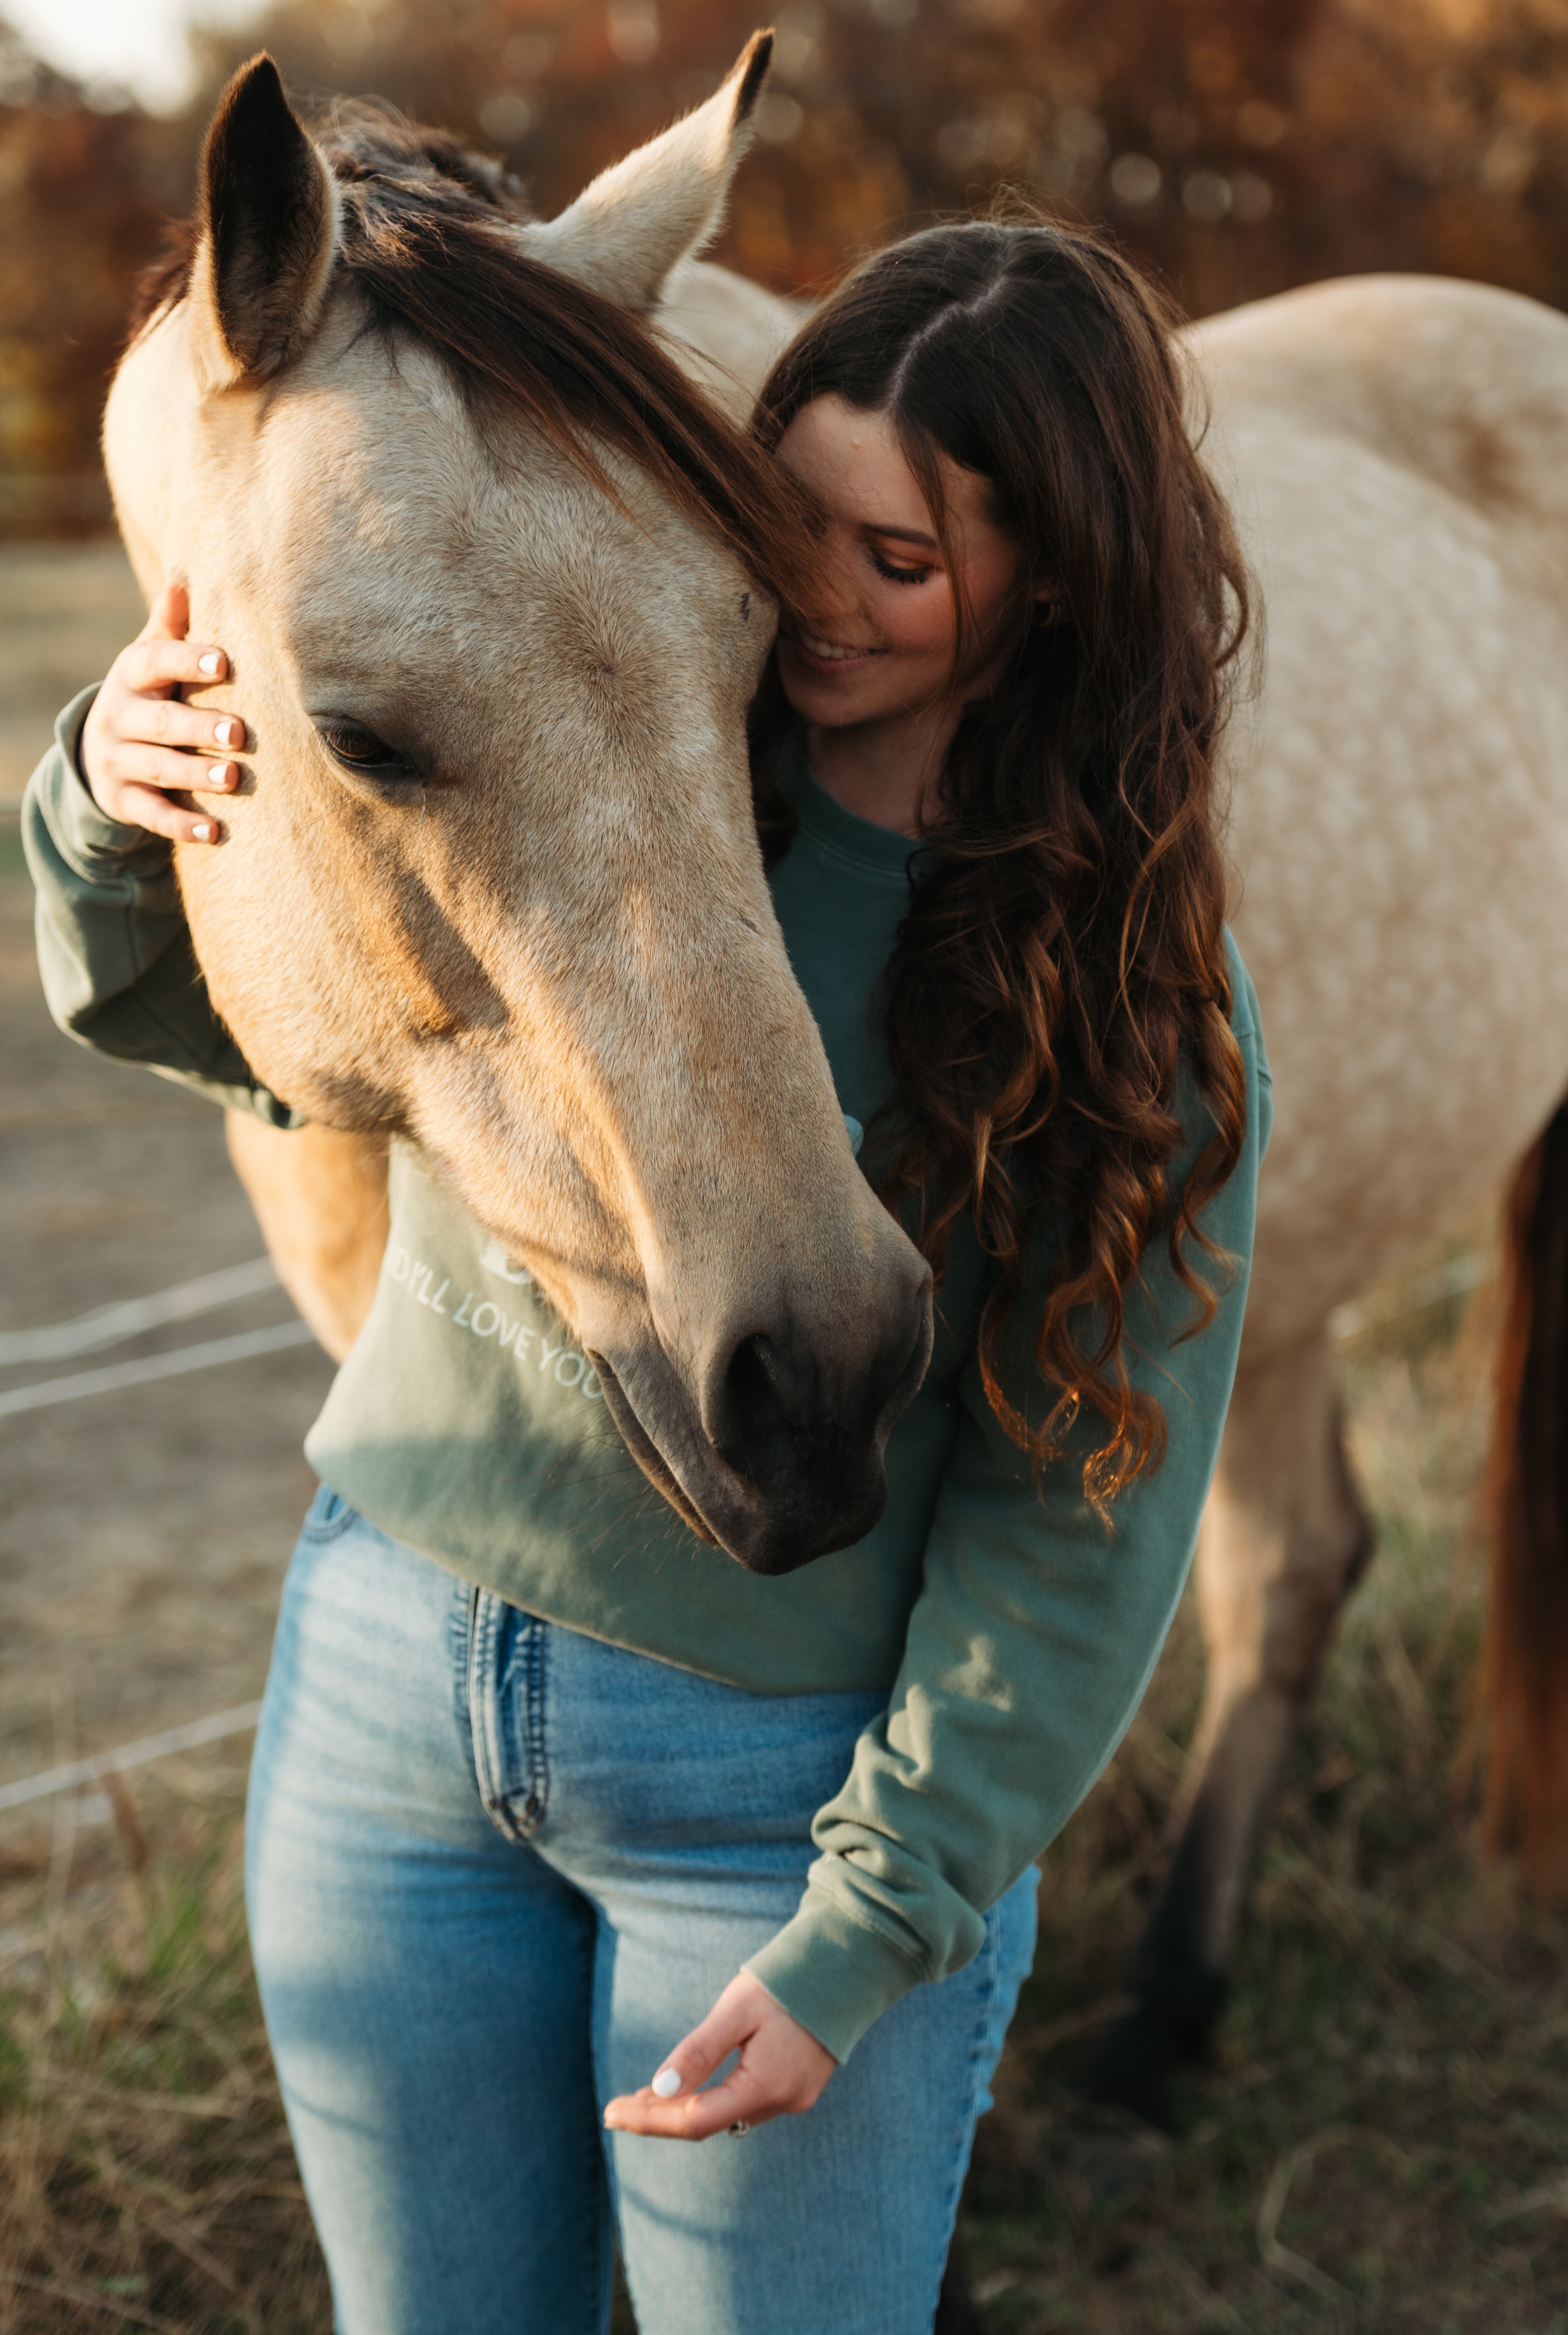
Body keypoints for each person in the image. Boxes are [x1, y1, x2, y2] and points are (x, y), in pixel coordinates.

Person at [26, 217, 1270, 2335]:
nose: (818, 601)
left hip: (771, 1806)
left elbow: (1085, 1520)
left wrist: (872, 1926)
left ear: (1048, 579)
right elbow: (259, 1039)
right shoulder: (625, 725)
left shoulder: (1120, 977)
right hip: (383, 1701)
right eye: (789, 527)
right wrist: (101, 797)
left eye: (902, 563)